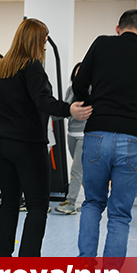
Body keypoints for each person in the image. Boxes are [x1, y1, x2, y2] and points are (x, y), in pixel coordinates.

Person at [0, 18, 90, 257]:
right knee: (37, 206)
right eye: (43, 40)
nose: (44, 46)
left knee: (9, 202)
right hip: (26, 144)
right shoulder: (31, 65)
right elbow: (42, 100)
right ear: (34, 40)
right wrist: (69, 109)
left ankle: (0, 258)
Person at [73, 9, 137, 267]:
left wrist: (91, 105)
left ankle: (85, 268)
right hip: (134, 138)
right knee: (120, 214)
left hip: (98, 133)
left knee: (92, 203)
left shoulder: (101, 44)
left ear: (118, 28)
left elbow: (79, 83)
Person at [55, 62, 85, 215]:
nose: (79, 75)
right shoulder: (70, 90)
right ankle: (92, 200)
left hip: (85, 135)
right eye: (77, 72)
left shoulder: (92, 90)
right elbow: (65, 109)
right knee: (83, 170)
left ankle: (70, 201)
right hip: (71, 133)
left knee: (76, 169)